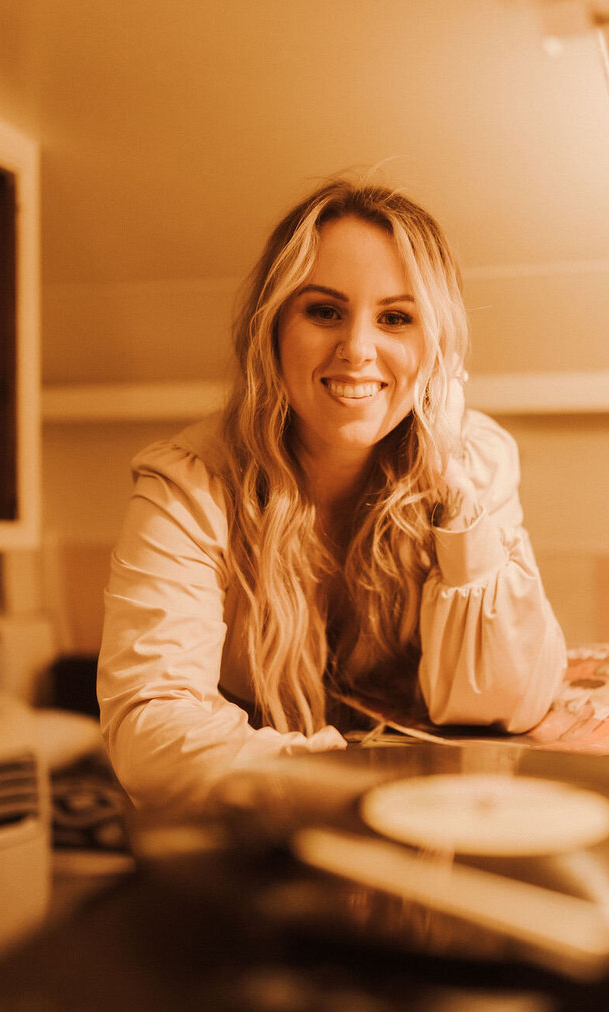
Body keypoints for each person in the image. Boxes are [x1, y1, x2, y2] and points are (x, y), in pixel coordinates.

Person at [97, 179, 567, 811]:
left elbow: (509, 702)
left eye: (396, 318)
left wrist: (453, 483)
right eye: (324, 312)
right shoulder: (188, 487)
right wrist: (349, 784)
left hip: (434, 835)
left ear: (437, 347)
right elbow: (148, 733)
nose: (357, 350)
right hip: (263, 833)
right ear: (273, 331)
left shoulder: (475, 461)